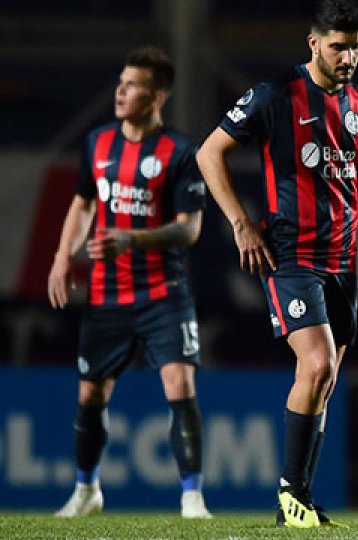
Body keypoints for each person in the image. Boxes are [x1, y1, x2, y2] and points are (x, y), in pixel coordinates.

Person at [196, 0, 358, 529]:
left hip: (343, 261)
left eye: (356, 48)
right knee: (315, 365)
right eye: (338, 46)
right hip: (291, 255)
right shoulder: (275, 95)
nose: (348, 57)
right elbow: (209, 153)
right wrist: (241, 223)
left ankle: (300, 500)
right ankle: (290, 494)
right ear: (312, 43)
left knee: (327, 379)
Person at [47, 46, 212, 519]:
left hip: (165, 293)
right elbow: (82, 204)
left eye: (132, 84)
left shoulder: (180, 152)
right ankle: (86, 490)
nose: (120, 91)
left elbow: (189, 228)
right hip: (106, 294)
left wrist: (132, 239)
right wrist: (63, 256)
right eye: (121, 82)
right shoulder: (97, 143)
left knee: (180, 383)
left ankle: (192, 498)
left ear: (157, 96)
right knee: (90, 394)